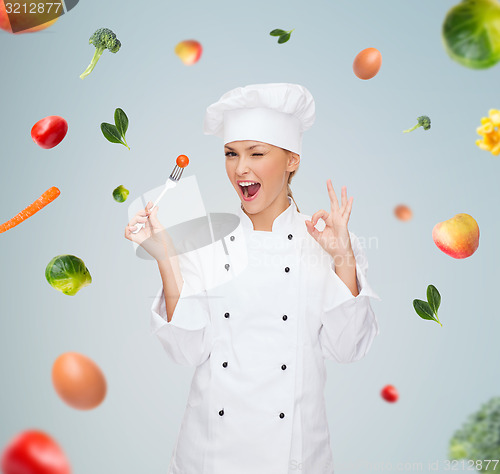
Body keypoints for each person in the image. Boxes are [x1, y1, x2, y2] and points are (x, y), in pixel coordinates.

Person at [124, 83, 381, 474]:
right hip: (211, 455)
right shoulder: (204, 242)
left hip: (297, 457)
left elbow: (347, 348)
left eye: (256, 153)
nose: (241, 168)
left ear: (292, 159)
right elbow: (185, 351)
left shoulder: (328, 242)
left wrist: (342, 257)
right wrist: (165, 257)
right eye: (231, 154)